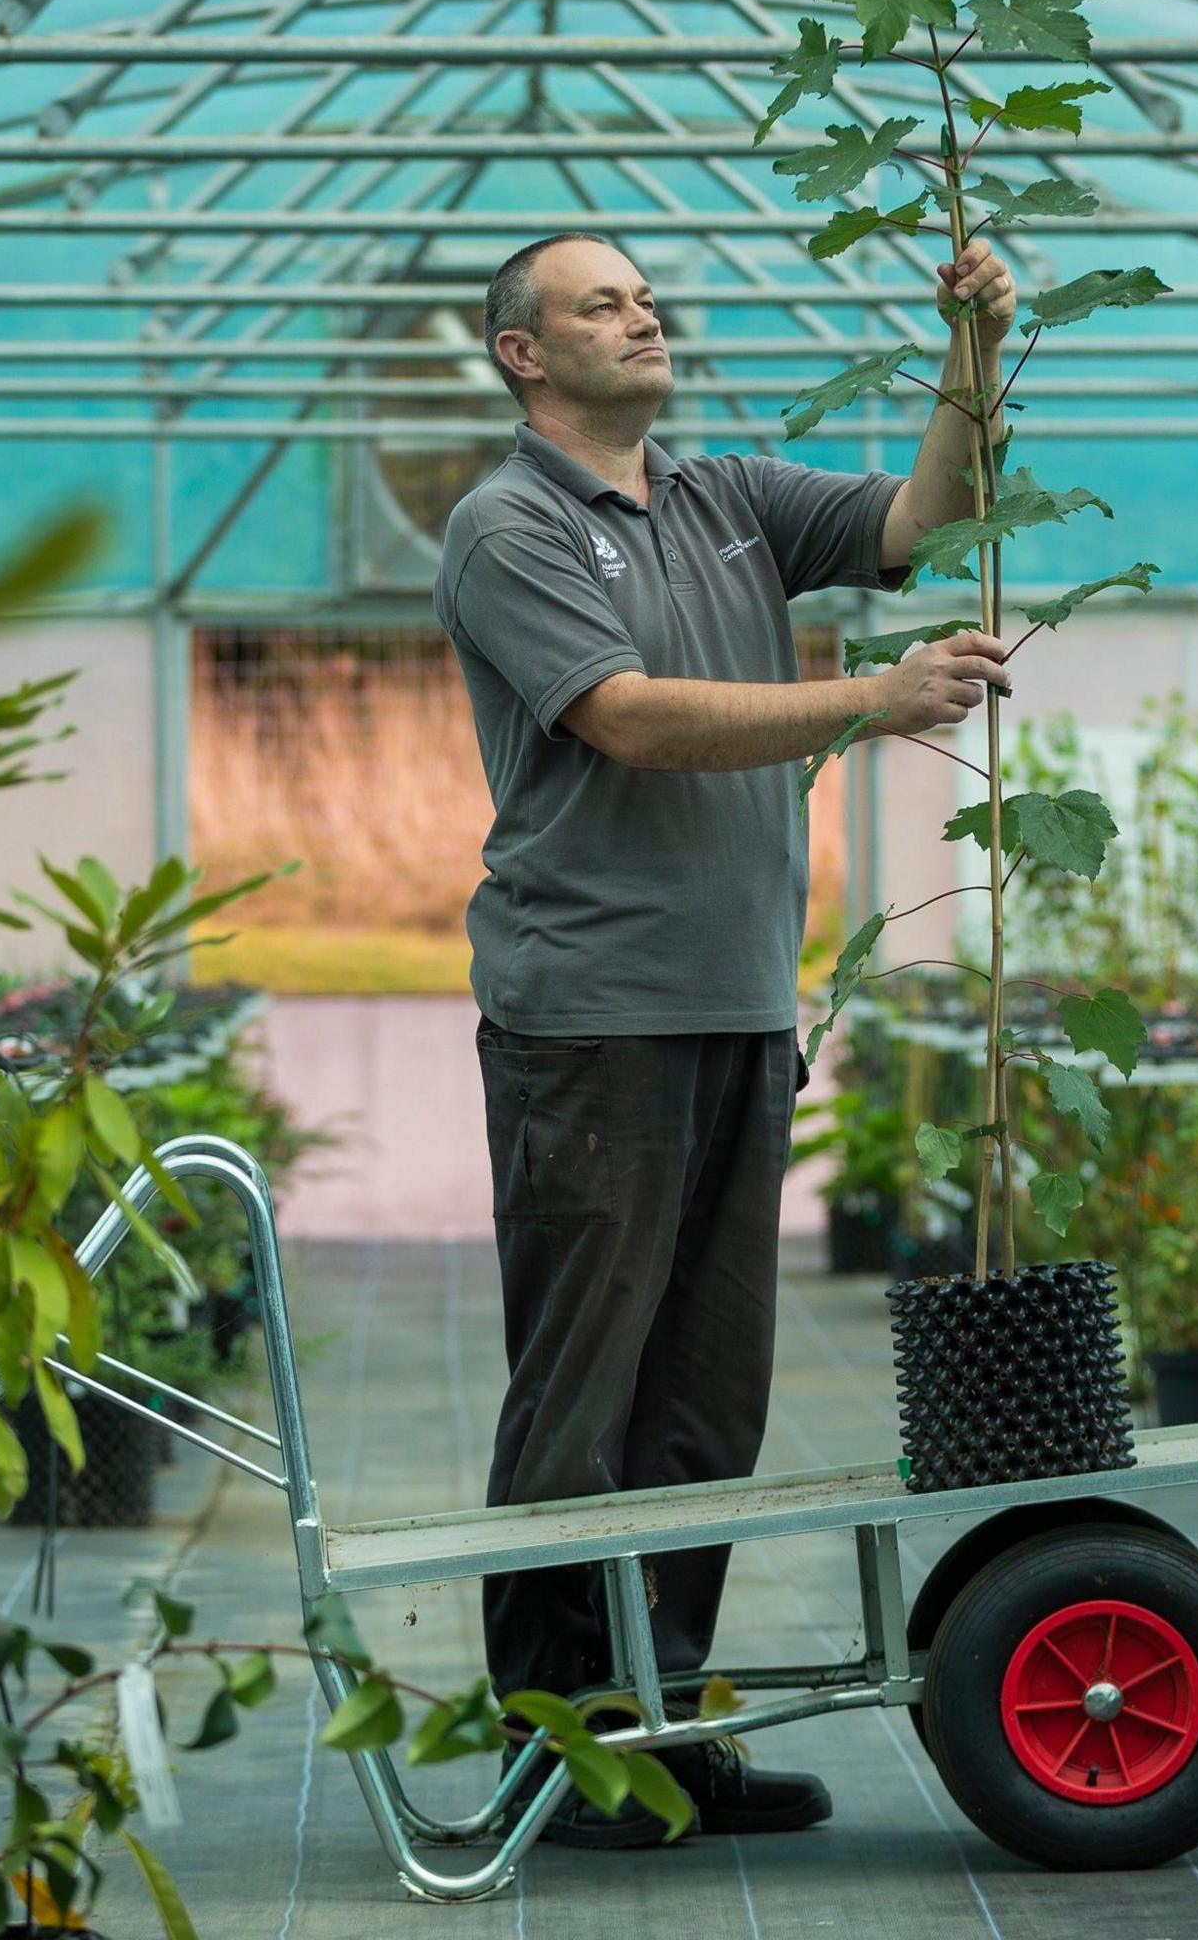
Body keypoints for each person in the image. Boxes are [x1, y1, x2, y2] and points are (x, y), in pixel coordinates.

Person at [435, 230, 1016, 1846]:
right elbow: (623, 713)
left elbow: (923, 518)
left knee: (702, 1407)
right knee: (585, 1402)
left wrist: (968, 349)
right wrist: (865, 701)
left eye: (644, 295)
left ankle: (667, 1735)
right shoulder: (510, 525)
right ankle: (556, 1752)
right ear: (523, 356)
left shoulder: (721, 499)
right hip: (592, 1022)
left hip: (742, 1005)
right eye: (599, 304)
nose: (643, 317)